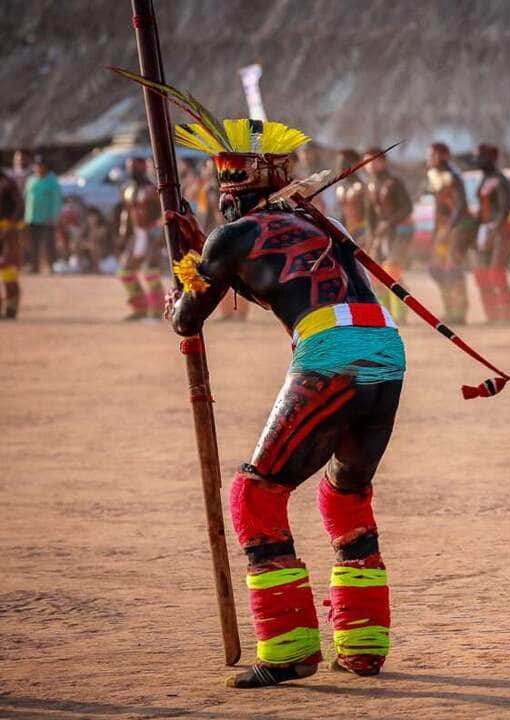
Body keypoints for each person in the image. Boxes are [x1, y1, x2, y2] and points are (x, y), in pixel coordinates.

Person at [128, 76, 402, 686]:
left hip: (331, 355)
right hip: (385, 347)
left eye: (226, 184)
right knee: (345, 494)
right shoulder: (319, 225)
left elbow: (186, 321)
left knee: (256, 495)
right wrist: (209, 260)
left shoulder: (235, 235)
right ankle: (363, 644)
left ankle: (288, 648)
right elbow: (281, 288)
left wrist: (186, 284)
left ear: (232, 189)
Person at [426, 142, 474, 324]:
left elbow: (461, 206)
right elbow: (439, 207)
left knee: (454, 267)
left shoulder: (454, 176)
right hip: (444, 227)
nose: (431, 158)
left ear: (445, 155)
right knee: (435, 268)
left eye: (435, 155)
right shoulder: (433, 175)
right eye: (429, 155)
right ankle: (449, 308)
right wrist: (436, 231)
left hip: (460, 225)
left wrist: (450, 228)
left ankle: (459, 312)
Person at [365, 147, 414, 322]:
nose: (370, 166)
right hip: (381, 234)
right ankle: (386, 314)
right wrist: (371, 237)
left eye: (373, 161)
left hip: (400, 232)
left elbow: (407, 208)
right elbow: (370, 215)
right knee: (377, 273)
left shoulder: (394, 182)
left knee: (392, 271)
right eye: (367, 163)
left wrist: (389, 222)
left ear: (383, 162)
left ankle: (400, 315)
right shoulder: (370, 185)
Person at [472, 143, 510, 324]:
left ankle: (507, 314)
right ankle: (492, 315)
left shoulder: (500, 180)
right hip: (485, 230)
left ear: (491, 158)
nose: (477, 160)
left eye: (481, 156)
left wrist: (494, 229)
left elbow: (505, 209)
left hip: (501, 231)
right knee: (481, 274)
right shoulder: (483, 178)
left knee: (496, 273)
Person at [116, 157, 165, 319]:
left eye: (134, 168)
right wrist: (123, 234)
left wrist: (160, 237)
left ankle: (159, 311)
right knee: (125, 271)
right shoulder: (127, 189)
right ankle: (140, 309)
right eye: (129, 168)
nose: (131, 171)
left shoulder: (153, 190)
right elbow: (126, 213)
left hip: (152, 232)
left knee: (150, 271)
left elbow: (163, 214)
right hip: (137, 234)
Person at [23, 155, 62, 274]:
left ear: (45, 167)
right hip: (31, 217)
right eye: (37, 165)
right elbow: (25, 197)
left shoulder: (52, 180)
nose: (39, 168)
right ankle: (34, 266)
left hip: (47, 218)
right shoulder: (31, 180)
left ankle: (50, 266)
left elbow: (57, 200)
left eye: (41, 165)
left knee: (48, 243)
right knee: (32, 243)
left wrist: (54, 216)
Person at [335, 148, 372, 252]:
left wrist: (369, 234)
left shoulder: (361, 186)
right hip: (345, 230)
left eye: (344, 162)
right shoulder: (340, 186)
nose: (340, 166)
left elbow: (370, 211)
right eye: (339, 162)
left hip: (361, 230)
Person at [0, 167, 23, 318]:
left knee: (8, 269)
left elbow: (19, 204)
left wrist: (11, 226)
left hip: (7, 229)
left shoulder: (7, 182)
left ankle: (11, 309)